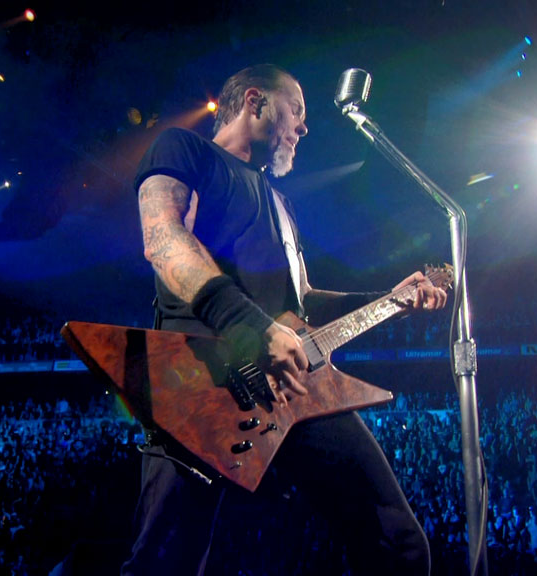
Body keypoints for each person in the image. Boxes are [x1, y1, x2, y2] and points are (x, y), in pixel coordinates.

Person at [122, 64, 447, 575]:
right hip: (201, 384)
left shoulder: (280, 203)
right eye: (296, 109)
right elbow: (163, 240)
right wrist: (255, 329)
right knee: (164, 563)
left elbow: (303, 304)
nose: (304, 126)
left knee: (398, 545)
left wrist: (390, 298)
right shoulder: (184, 149)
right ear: (255, 102)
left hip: (295, 387)